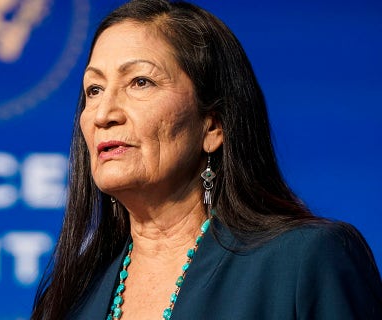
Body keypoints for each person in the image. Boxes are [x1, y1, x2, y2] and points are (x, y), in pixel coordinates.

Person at [31, 0, 382, 319]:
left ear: (212, 125)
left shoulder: (307, 262)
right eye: (94, 90)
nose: (103, 113)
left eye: (140, 82)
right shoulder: (66, 301)